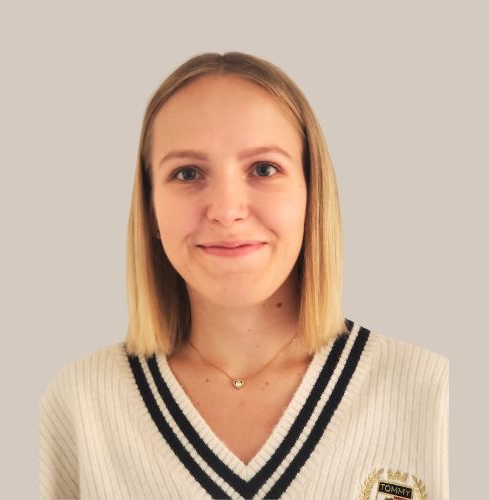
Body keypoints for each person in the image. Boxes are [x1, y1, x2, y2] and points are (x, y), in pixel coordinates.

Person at [38, 52, 449, 500]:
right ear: (151, 208)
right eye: (187, 173)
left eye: (264, 169)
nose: (227, 210)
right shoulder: (79, 404)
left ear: (312, 194)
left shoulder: (434, 394)